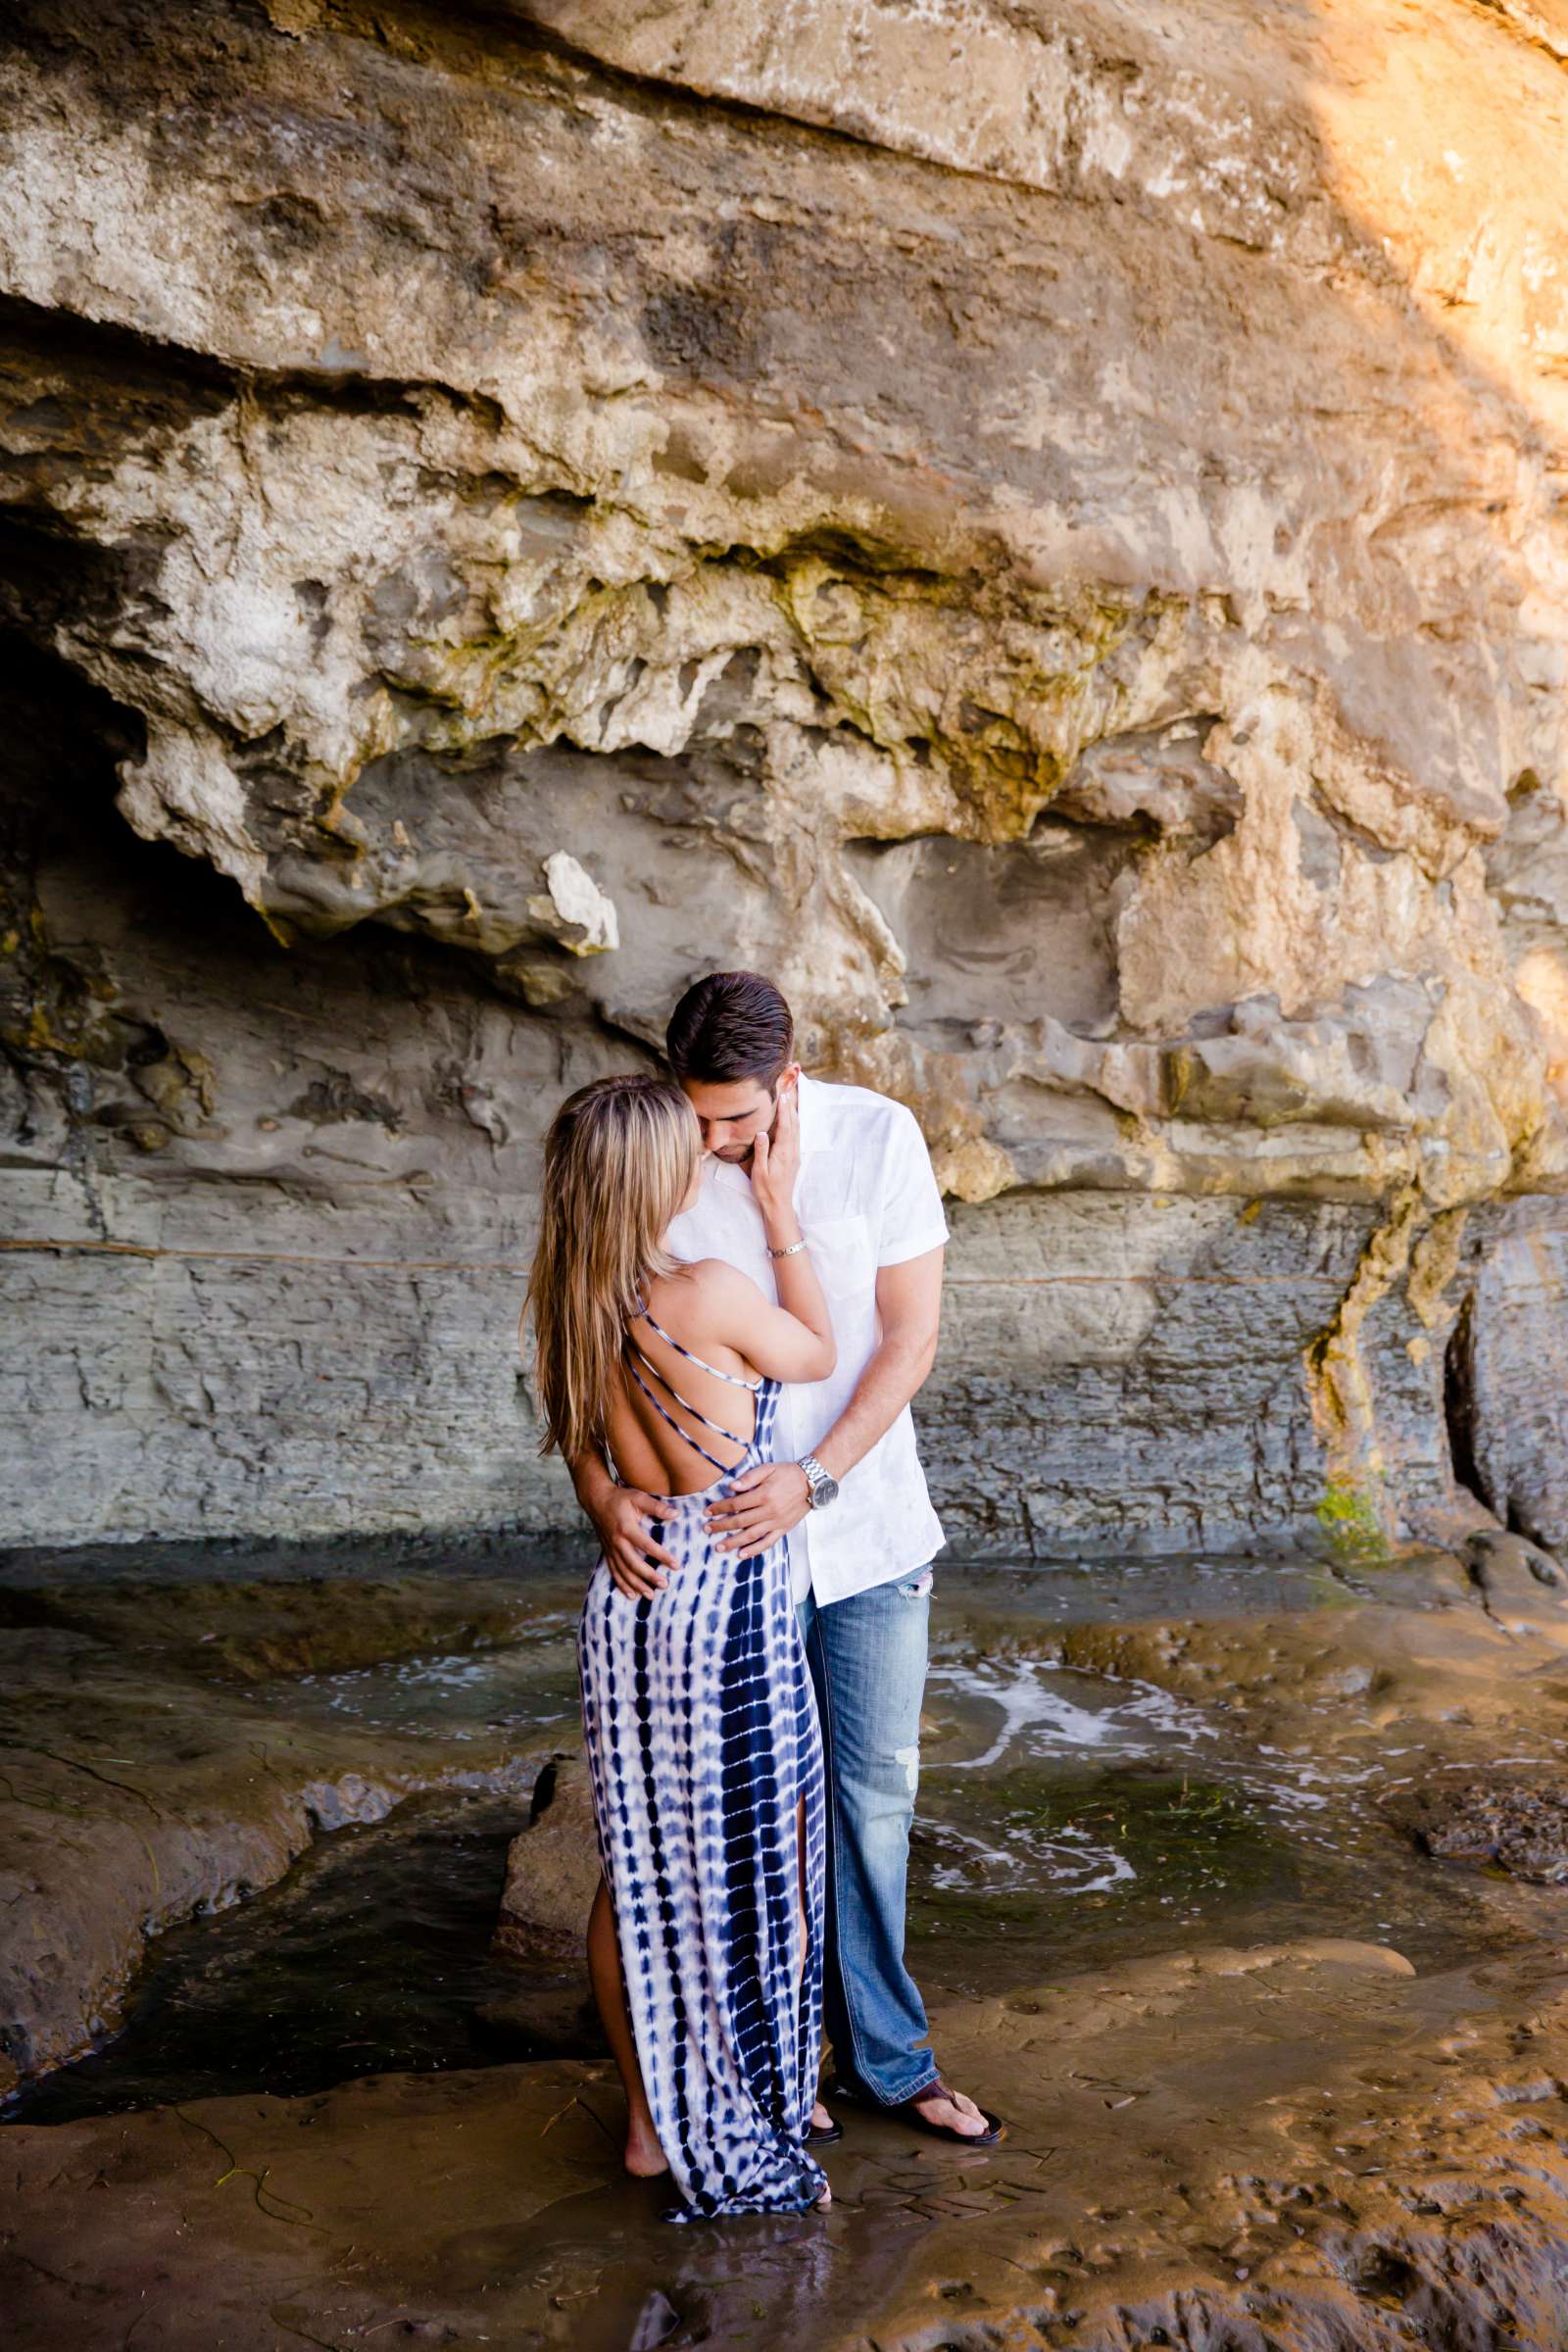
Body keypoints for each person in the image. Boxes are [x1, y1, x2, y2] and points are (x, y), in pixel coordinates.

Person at [568, 974, 1004, 2148]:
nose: (715, 1143)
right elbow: (582, 1352)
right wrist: (601, 1493)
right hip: (715, 1572)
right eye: (698, 1116)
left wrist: (815, 1479)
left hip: (861, 1539)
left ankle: (892, 2061)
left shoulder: (878, 1138)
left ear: (790, 1080)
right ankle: (772, 2068)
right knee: (749, 1823)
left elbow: (907, 1341)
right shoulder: (652, 1161)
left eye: (738, 1123)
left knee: (869, 1806)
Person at [523, 1071, 839, 2220]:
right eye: (689, 1151)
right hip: (725, 1588)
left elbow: (577, 1443)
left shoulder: (569, 1304)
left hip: (628, 1594)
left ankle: (652, 2119)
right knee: (760, 1859)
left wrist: (605, 1499)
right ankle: (757, 2093)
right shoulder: (704, 1290)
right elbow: (815, 1352)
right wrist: (780, 1211)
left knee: (644, 1871)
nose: (708, 1160)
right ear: (658, 1177)